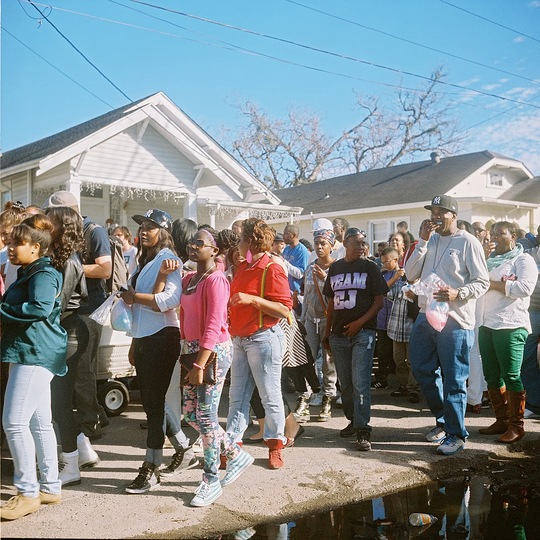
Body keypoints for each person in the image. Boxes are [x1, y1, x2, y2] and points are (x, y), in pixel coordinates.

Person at [405, 195, 489, 456]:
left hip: (455, 319)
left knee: (455, 378)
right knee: (421, 368)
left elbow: (482, 281)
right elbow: (410, 274)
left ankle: (456, 434)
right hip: (426, 315)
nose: (435, 216)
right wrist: (421, 241)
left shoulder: (467, 241)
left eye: (441, 211)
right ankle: (443, 420)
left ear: (453, 215)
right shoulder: (428, 241)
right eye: (433, 211)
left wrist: (458, 293)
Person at [0, 214, 67, 520]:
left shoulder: (42, 273)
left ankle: (27, 491)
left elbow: (39, 307)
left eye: (18, 242)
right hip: (34, 350)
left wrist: (2, 309)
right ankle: (50, 487)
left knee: (14, 423)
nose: (11, 247)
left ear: (37, 247)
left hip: (35, 352)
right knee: (40, 423)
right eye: (10, 242)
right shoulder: (32, 269)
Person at [119, 209, 182, 494]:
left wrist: (135, 298)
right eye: (142, 226)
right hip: (144, 337)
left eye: (150, 226)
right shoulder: (144, 260)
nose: (144, 231)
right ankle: (183, 447)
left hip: (163, 335)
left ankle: (151, 467)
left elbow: (170, 300)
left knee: (152, 405)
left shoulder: (169, 259)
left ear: (163, 231)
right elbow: (139, 310)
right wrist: (134, 341)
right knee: (151, 400)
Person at [42, 191, 112, 442]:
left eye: (51, 214)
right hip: (70, 311)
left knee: (83, 372)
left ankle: (89, 426)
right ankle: (91, 418)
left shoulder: (94, 231)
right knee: (72, 374)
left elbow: (106, 269)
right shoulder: (59, 237)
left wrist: (69, 266)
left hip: (88, 310)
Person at [226, 218, 293, 471]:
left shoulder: (271, 268)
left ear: (251, 242)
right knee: (236, 397)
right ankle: (231, 446)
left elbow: (284, 309)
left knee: (269, 395)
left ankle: (276, 445)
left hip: (263, 338)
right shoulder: (243, 267)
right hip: (241, 339)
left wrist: (251, 299)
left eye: (241, 239)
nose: (238, 244)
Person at [179, 227, 237, 506]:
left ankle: (211, 479)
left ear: (214, 250)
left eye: (199, 243)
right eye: (191, 241)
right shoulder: (190, 278)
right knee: (190, 414)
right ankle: (235, 454)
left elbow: (214, 324)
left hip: (212, 352)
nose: (192, 246)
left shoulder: (216, 280)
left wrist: (200, 362)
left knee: (205, 417)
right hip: (192, 350)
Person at [45, 206, 100, 487]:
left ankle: (70, 465)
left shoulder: (68, 261)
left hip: (69, 331)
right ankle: (82, 448)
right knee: (60, 401)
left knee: (59, 402)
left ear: (61, 226)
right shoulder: (64, 257)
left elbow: (57, 304)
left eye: (49, 220)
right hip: (69, 329)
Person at [322, 228, 389, 451]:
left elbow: (379, 302)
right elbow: (331, 302)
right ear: (346, 243)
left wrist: (360, 323)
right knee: (346, 383)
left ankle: (363, 430)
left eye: (363, 243)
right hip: (339, 334)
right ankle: (353, 420)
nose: (362, 247)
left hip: (363, 333)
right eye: (357, 243)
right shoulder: (336, 268)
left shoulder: (370, 267)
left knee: (361, 382)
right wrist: (327, 332)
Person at [478, 221, 537, 443]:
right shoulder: (488, 261)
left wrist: (492, 284)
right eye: (492, 233)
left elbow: (524, 288)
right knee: (491, 375)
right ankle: (501, 420)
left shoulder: (523, 259)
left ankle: (516, 425)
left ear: (512, 236)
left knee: (511, 375)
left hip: (511, 325)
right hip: (487, 323)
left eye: (500, 233)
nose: (494, 237)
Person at [297, 226, 337, 422]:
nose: (319, 247)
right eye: (317, 243)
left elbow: (338, 297)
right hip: (310, 320)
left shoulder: (337, 269)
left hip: (327, 321)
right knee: (306, 359)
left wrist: (326, 279)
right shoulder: (310, 268)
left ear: (331, 246)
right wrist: (302, 321)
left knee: (329, 362)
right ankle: (305, 399)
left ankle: (327, 400)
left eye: (323, 243)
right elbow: (307, 296)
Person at [372, 248, 406, 390]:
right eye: (383, 262)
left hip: (397, 322)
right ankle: (382, 379)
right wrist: (394, 277)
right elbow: (382, 289)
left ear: (396, 260)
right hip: (381, 320)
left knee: (398, 356)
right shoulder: (383, 275)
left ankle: (402, 383)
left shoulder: (404, 275)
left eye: (387, 262)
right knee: (382, 352)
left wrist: (398, 276)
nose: (384, 265)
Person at [282, 224, 310, 315]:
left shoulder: (302, 251)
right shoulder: (286, 249)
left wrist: (284, 262)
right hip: (286, 293)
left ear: (293, 235)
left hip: (297, 295)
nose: (283, 236)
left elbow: (300, 274)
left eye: (286, 234)